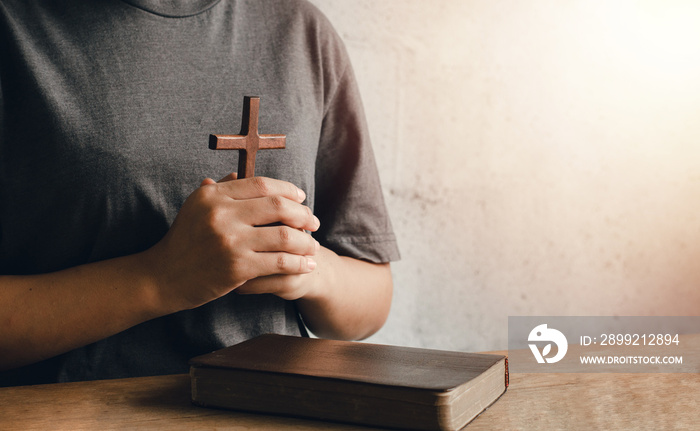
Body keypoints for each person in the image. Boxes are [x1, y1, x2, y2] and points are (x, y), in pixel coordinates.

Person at [0, 0, 400, 386]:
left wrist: (307, 268)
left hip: (273, 411)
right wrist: (160, 278)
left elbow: (372, 300)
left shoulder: (302, 30)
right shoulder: (15, 24)